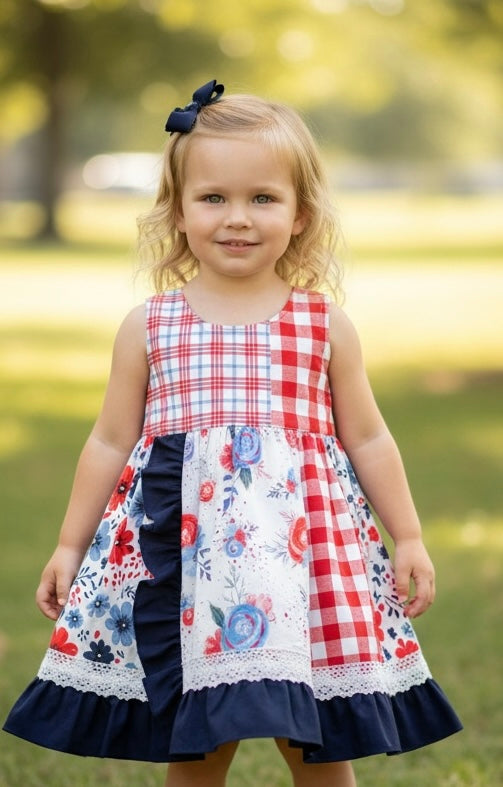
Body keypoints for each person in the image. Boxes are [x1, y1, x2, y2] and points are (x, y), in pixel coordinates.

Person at [3, 79, 461, 787]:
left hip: (300, 563)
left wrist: (407, 534)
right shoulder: (150, 325)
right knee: (196, 742)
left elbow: (368, 438)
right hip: (186, 567)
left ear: (301, 213)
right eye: (213, 198)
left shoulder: (322, 325)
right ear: (178, 212)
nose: (237, 218)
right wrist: (69, 542)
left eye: (262, 198)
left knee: (312, 739)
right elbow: (108, 439)